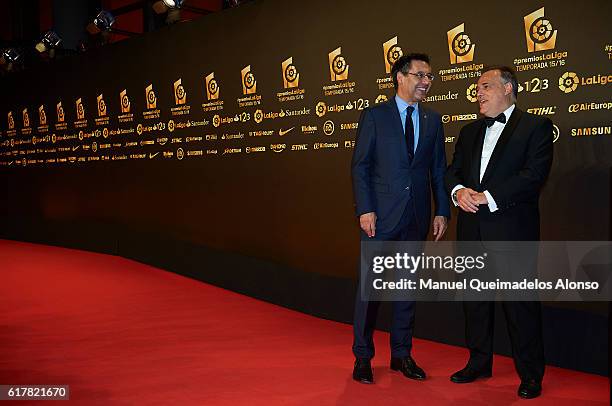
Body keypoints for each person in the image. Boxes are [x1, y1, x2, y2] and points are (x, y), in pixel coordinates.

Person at [445, 65, 554, 399]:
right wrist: (459, 191)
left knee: (520, 305)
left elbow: (533, 175)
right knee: (475, 302)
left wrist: (489, 198)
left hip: (512, 230)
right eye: (477, 88)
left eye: (485, 86)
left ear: (508, 88)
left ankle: (531, 373)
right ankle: (479, 362)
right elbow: (453, 172)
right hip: (472, 229)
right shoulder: (468, 131)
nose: (478, 92)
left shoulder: (536, 126)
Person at [351, 53, 450, 384]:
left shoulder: (434, 120)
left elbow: (438, 169)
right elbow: (361, 166)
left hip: (416, 216)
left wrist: (441, 210)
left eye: (429, 77)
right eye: (420, 75)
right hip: (379, 218)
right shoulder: (375, 116)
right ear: (400, 77)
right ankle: (363, 357)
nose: (426, 82)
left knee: (407, 289)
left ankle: (401, 354)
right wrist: (365, 208)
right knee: (371, 289)